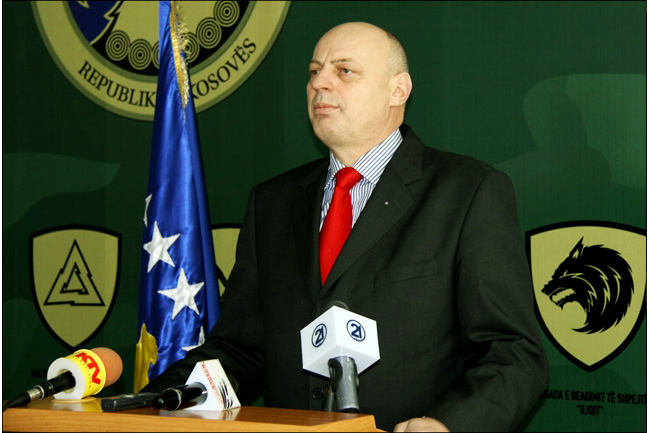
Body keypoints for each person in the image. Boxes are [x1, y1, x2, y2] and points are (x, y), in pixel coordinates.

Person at [142, 22, 549, 432]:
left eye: (344, 70)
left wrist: (448, 425)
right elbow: (240, 350)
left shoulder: (467, 191)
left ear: (398, 90)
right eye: (314, 71)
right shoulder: (273, 202)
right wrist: (142, 406)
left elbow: (512, 354)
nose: (319, 83)